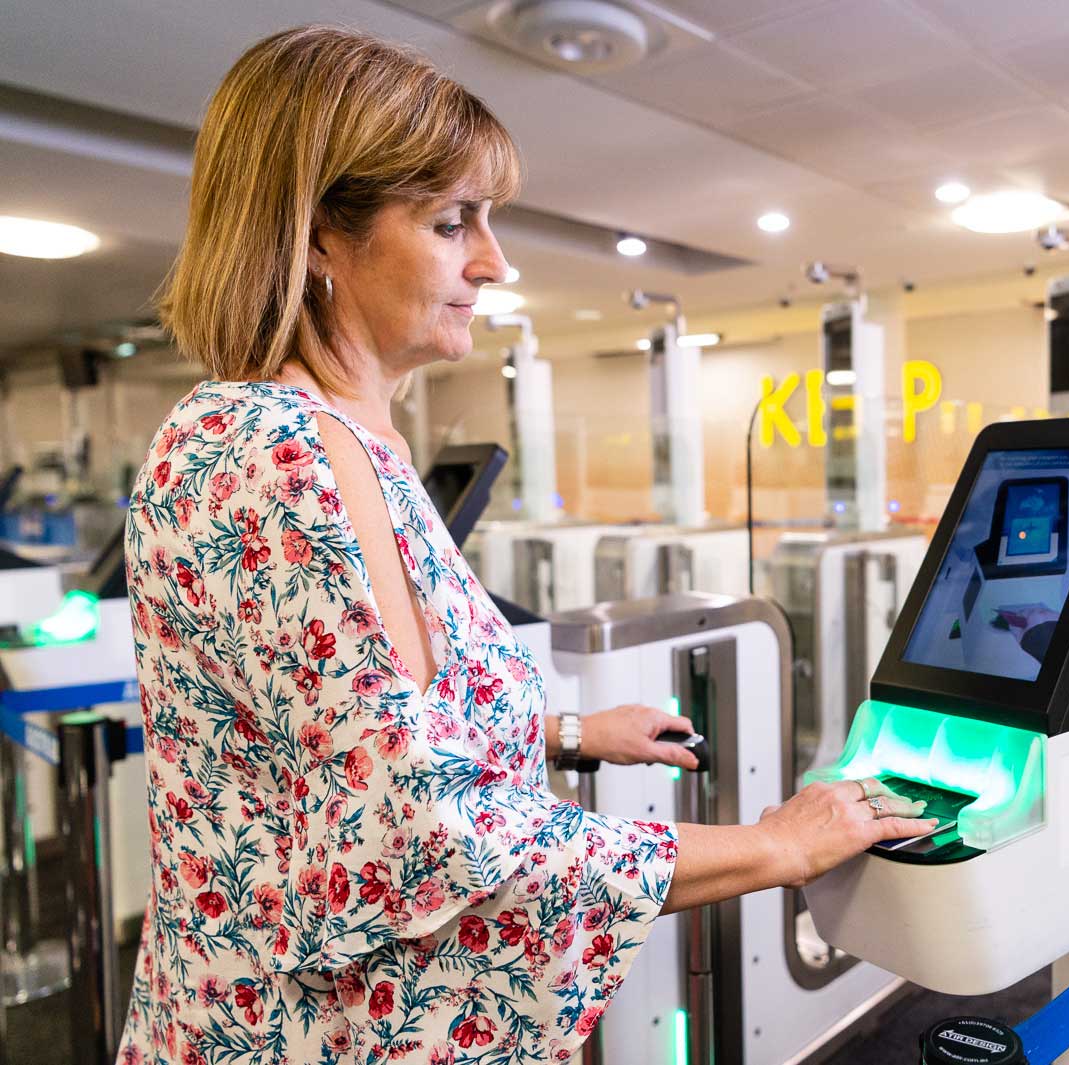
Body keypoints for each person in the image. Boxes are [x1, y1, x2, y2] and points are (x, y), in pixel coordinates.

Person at [119, 25, 935, 1064]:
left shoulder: (246, 427)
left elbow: (335, 733)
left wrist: (561, 734)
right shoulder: (294, 456)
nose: (494, 262)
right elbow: (423, 837)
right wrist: (776, 844)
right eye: (453, 222)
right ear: (321, 233)